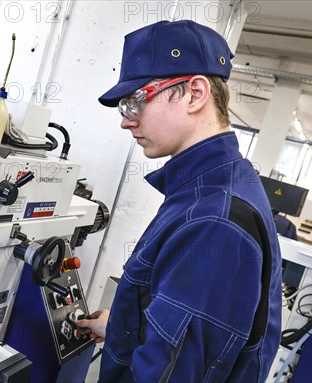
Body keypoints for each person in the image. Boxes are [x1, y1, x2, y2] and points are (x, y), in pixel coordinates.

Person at [76, 20, 282, 382]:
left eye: (137, 100)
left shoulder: (214, 221)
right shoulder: (206, 188)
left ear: (195, 94)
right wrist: (125, 327)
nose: (126, 122)